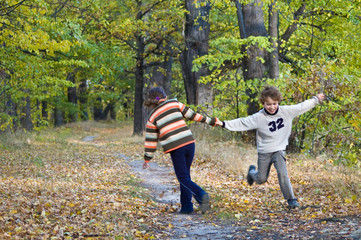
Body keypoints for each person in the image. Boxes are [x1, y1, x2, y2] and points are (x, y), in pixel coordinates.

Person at [216, 86, 325, 208]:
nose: (272, 107)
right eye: (268, 104)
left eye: (274, 104)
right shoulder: (259, 117)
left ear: (278, 102)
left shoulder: (286, 112)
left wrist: (316, 99)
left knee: (283, 174)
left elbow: (301, 106)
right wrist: (223, 124)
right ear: (263, 104)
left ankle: (291, 200)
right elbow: (243, 122)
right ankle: (252, 172)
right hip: (264, 152)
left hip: (278, 150)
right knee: (261, 179)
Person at [143, 87, 218, 214]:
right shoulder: (175, 103)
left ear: (153, 101)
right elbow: (194, 116)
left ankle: (201, 194)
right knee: (185, 176)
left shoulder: (152, 117)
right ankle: (187, 206)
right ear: (165, 97)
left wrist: (147, 158)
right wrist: (212, 121)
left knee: (183, 177)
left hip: (176, 148)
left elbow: (151, 140)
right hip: (189, 144)